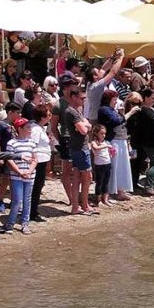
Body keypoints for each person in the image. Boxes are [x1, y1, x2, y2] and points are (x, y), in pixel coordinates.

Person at [63, 86, 95, 214]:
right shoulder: (72, 112)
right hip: (80, 148)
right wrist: (85, 125)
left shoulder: (77, 110)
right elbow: (84, 130)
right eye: (82, 98)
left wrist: (85, 125)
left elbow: (87, 125)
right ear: (73, 97)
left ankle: (76, 206)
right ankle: (85, 205)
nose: (84, 100)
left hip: (78, 147)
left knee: (77, 177)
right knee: (87, 177)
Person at [3, 118, 37, 234]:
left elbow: (35, 159)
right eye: (27, 127)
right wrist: (19, 172)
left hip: (29, 175)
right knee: (17, 200)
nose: (30, 129)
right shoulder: (11, 143)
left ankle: (25, 223)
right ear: (20, 129)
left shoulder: (32, 142)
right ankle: (10, 222)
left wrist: (29, 171)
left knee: (27, 200)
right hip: (16, 176)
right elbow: (10, 159)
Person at [90, 123, 114, 207]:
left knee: (106, 182)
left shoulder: (105, 142)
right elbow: (96, 148)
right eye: (101, 133)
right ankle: (98, 199)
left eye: (104, 133)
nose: (103, 135)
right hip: (99, 165)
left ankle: (105, 199)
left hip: (107, 163)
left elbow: (108, 153)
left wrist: (112, 152)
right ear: (96, 133)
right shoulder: (94, 142)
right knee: (99, 182)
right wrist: (106, 146)